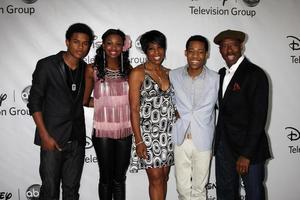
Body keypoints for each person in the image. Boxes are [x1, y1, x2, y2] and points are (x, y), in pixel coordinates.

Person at [27, 23, 94, 200]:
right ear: (67, 42)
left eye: (85, 43)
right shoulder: (47, 65)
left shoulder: (86, 70)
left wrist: (116, 102)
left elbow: (84, 101)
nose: (81, 47)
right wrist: (45, 136)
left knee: (72, 191)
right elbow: (34, 102)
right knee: (49, 190)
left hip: (77, 140)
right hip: (52, 138)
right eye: (76, 42)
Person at [213, 29, 271, 200]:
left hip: (248, 149)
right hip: (224, 147)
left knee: (254, 194)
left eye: (233, 46)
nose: (229, 50)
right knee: (225, 193)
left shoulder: (255, 74)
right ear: (220, 50)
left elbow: (258, 117)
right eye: (224, 46)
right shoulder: (221, 75)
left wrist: (246, 155)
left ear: (241, 47)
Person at [83, 29, 132, 200]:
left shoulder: (129, 71)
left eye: (118, 44)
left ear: (123, 47)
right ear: (103, 45)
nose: (113, 47)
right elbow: (84, 100)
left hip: (125, 131)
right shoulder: (92, 70)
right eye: (109, 43)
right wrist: (105, 104)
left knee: (119, 179)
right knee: (105, 178)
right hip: (102, 131)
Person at [169, 35, 219, 200]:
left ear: (206, 54)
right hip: (181, 139)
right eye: (191, 51)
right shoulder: (173, 75)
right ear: (185, 52)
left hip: (203, 139)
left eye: (200, 52)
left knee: (199, 190)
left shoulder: (216, 79)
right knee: (182, 189)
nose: (195, 56)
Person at [128, 30, 176, 200]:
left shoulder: (171, 73)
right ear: (145, 51)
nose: (157, 53)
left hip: (169, 135)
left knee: (164, 178)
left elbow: (175, 105)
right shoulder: (137, 73)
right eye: (151, 49)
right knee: (155, 180)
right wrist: (139, 140)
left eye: (160, 48)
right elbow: (133, 109)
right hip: (148, 135)